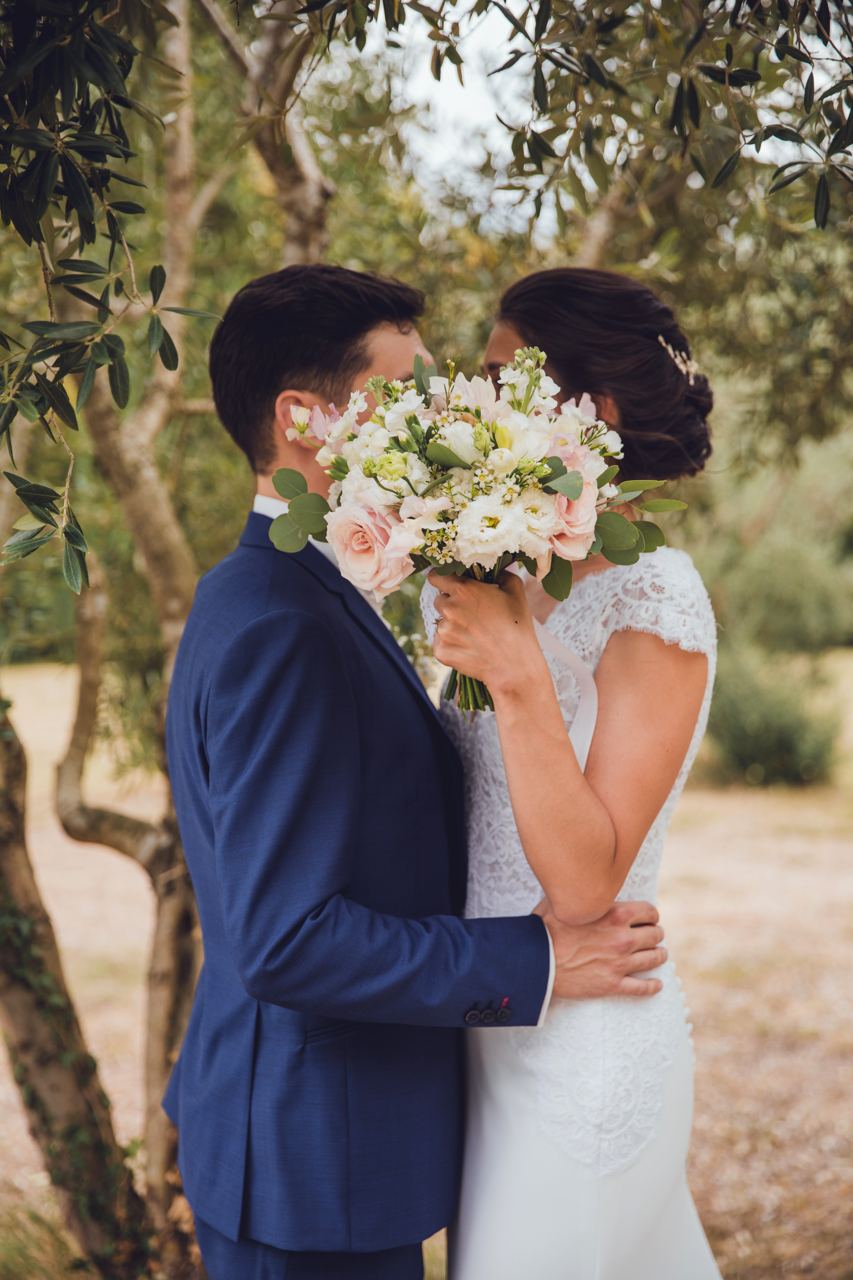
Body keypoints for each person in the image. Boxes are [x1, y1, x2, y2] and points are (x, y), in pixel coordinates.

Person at [162, 263, 669, 1280]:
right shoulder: (282, 624)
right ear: (303, 419)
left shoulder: (280, 588)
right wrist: (535, 962)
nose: (436, 419)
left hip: (320, 1146)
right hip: (310, 1166)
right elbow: (285, 940)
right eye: (405, 392)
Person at [423, 267, 722, 1279]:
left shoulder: (655, 600)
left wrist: (514, 671)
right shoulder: (498, 569)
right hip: (487, 1022)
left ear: (594, 412)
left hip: (580, 1049)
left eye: (503, 377)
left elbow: (588, 881)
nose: (480, 399)